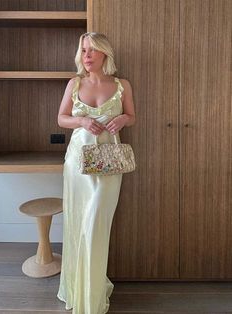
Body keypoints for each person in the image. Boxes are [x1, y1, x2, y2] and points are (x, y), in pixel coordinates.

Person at [56, 32, 136, 314]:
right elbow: (61, 118)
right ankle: (81, 289)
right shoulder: (74, 83)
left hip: (110, 162)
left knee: (96, 224)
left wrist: (123, 119)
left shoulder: (121, 84)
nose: (87, 56)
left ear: (104, 54)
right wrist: (81, 120)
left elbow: (132, 116)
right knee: (79, 222)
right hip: (78, 163)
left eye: (92, 50)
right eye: (84, 50)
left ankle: (92, 291)